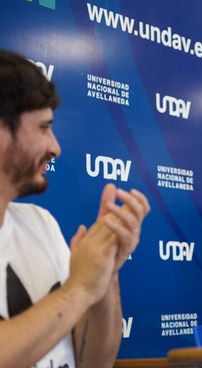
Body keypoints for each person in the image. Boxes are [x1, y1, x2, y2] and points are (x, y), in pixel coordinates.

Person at [0, 50, 150, 367]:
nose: (55, 147)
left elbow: (96, 361)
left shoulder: (41, 224)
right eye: (43, 128)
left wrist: (104, 274)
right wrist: (80, 288)